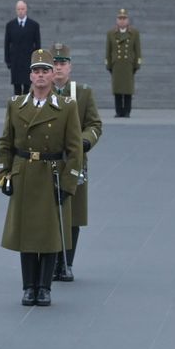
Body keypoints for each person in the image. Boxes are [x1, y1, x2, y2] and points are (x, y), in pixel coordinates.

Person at [0, 50, 83, 307]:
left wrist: (68, 183)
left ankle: (44, 287)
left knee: (48, 233)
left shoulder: (67, 107)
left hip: (50, 174)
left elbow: (75, 149)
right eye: (37, 71)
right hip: (24, 173)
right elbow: (5, 143)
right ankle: (28, 286)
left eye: (46, 71)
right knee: (26, 233)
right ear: (30, 75)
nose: (41, 76)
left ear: (52, 75)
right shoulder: (16, 104)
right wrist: (3, 175)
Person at [52, 44, 102, 281]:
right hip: (48, 161)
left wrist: (84, 142)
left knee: (73, 215)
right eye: (54, 63)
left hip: (74, 162)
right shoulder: (40, 92)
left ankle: (66, 263)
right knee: (48, 213)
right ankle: (51, 262)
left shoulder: (82, 93)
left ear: (70, 67)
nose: (58, 68)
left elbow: (95, 124)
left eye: (62, 63)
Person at [105, 8, 142, 117]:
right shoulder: (111, 33)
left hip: (128, 65)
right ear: (117, 20)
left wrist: (137, 64)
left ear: (128, 20)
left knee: (127, 89)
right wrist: (108, 64)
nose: (122, 21)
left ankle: (126, 111)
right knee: (117, 89)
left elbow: (137, 50)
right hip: (116, 65)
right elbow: (108, 50)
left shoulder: (134, 33)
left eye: (124, 18)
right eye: (120, 18)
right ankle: (118, 111)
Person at [4, 0, 42, 96]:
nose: (21, 11)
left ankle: (25, 107)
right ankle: (17, 108)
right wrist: (8, 60)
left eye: (22, 9)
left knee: (27, 86)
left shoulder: (34, 25)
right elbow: (7, 44)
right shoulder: (10, 25)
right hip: (15, 61)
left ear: (26, 10)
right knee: (16, 87)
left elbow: (38, 45)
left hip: (28, 61)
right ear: (16, 10)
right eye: (18, 9)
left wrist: (37, 61)